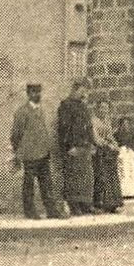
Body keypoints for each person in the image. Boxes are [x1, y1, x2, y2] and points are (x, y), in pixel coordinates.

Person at [9, 84, 65, 219]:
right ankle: (29, 211)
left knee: (47, 183)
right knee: (29, 184)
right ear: (28, 94)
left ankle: (51, 211)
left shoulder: (42, 110)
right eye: (34, 92)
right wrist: (18, 152)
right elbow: (15, 135)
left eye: (39, 92)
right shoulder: (22, 112)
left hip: (43, 153)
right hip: (29, 155)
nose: (37, 95)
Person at [56, 79, 96, 215]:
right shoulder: (66, 105)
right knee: (73, 176)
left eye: (86, 91)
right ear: (76, 89)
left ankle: (85, 203)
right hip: (73, 147)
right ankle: (74, 205)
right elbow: (64, 128)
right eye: (83, 90)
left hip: (85, 146)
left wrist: (92, 143)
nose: (85, 93)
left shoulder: (83, 106)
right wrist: (68, 146)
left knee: (86, 176)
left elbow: (89, 127)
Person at [91, 99, 122, 213]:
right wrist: (108, 145)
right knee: (101, 177)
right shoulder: (93, 121)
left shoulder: (107, 121)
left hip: (108, 153)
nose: (104, 110)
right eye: (102, 108)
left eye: (106, 108)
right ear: (97, 109)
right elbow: (95, 138)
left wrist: (115, 144)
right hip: (98, 152)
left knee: (112, 177)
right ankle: (100, 203)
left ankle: (112, 204)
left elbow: (110, 136)